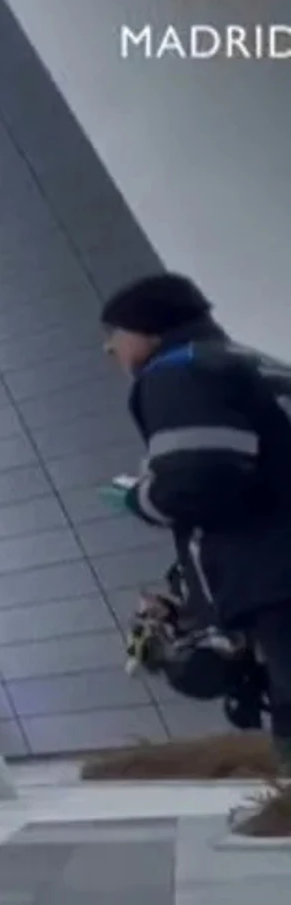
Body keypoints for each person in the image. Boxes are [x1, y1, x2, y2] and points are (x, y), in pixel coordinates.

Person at [99, 273, 291, 787]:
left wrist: (137, 497)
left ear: (146, 330)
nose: (109, 348)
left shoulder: (179, 372)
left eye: (113, 334)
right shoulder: (255, 363)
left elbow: (199, 481)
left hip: (275, 574)